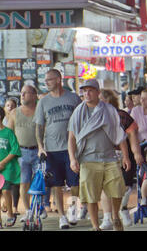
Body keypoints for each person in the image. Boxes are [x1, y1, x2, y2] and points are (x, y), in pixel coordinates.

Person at [68, 79, 131, 231]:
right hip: (87, 159)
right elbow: (71, 138)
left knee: (117, 190)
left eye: (90, 90)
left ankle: (115, 216)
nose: (87, 93)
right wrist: (72, 158)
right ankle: (96, 226)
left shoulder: (109, 110)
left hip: (109, 157)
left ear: (97, 92)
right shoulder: (78, 112)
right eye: (84, 91)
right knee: (90, 196)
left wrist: (126, 156)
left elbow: (119, 134)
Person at [34, 69, 82, 229]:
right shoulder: (43, 102)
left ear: (59, 79)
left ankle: (73, 209)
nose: (46, 82)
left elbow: (81, 121)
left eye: (49, 79)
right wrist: (40, 147)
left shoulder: (73, 98)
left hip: (71, 149)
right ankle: (62, 216)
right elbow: (39, 127)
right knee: (56, 184)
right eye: (45, 80)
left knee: (75, 183)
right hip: (52, 149)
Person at [98, 89, 143, 229]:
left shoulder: (123, 116)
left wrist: (136, 154)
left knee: (124, 186)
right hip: (103, 156)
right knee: (105, 187)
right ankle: (107, 217)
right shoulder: (95, 116)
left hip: (124, 156)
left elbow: (133, 136)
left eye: (100, 99)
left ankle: (121, 209)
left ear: (107, 101)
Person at [7, 85, 43, 223]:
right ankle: (28, 211)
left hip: (38, 151)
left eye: (26, 93)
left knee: (39, 181)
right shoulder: (15, 112)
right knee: (24, 183)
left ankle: (39, 207)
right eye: (21, 93)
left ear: (34, 95)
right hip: (21, 152)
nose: (22, 95)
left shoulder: (40, 111)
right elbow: (10, 135)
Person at [0, 107, 21, 228]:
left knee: (6, 190)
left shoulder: (8, 132)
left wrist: (3, 162)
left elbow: (15, 149)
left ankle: (10, 214)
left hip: (7, 167)